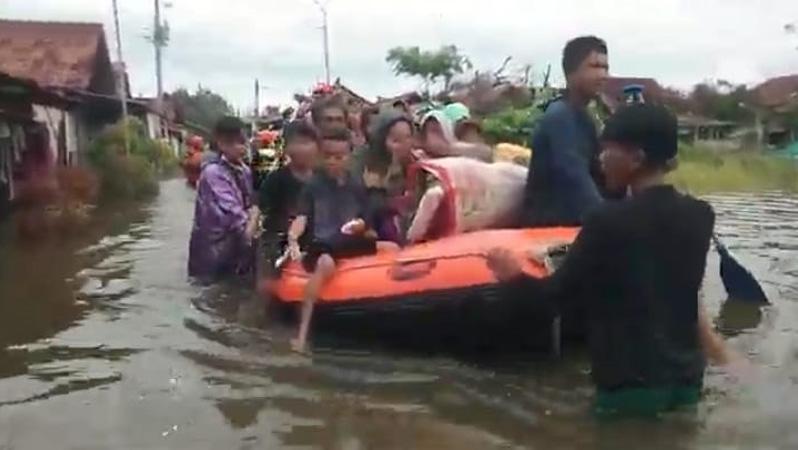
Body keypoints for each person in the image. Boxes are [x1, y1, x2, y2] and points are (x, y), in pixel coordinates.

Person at [486, 104, 738, 417]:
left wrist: (512, 274)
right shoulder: (701, 215)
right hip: (687, 383)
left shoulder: (605, 221)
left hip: (628, 392)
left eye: (608, 150)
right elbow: (684, 294)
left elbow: (553, 300)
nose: (600, 160)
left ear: (636, 158)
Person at [287, 127, 398, 352]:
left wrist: (362, 225)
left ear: (349, 156)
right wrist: (293, 240)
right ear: (320, 155)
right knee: (325, 264)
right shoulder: (313, 186)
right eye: (327, 156)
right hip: (323, 243)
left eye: (339, 157)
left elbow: (365, 217)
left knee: (392, 247)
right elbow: (302, 217)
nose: (332, 162)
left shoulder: (356, 185)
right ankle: (302, 333)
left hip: (347, 240)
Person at [523, 36, 612, 226]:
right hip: (550, 231)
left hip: (577, 225)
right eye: (595, 67)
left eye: (606, 68)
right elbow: (576, 182)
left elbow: (604, 177)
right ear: (571, 73)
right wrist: (610, 225)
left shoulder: (586, 119)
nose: (603, 75)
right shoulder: (560, 117)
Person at [188, 116, 260, 282]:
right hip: (214, 248)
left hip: (236, 245)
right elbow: (233, 213)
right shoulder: (213, 173)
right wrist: (253, 223)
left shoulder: (244, 170)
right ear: (221, 144)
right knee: (215, 293)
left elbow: (248, 203)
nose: (241, 147)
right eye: (235, 142)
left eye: (243, 141)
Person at [351, 109, 417, 243]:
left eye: (408, 137)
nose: (404, 144)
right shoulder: (366, 165)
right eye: (396, 140)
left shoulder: (418, 162)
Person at [259, 121, 319, 267]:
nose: (302, 148)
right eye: (297, 143)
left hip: (315, 240)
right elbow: (261, 210)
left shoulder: (323, 180)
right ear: (286, 148)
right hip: (281, 241)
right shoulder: (276, 179)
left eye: (307, 143)